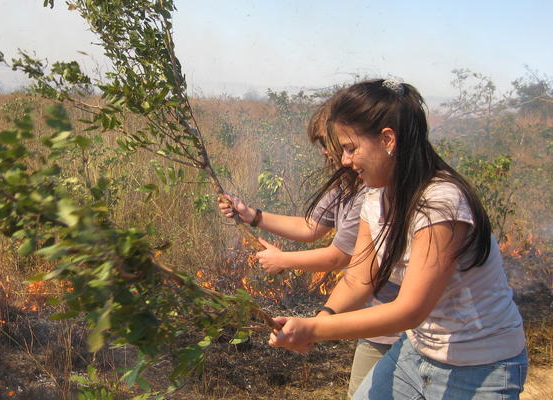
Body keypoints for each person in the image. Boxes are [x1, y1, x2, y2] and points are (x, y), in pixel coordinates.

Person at [268, 79, 527, 399]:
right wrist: (323, 317)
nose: (345, 161)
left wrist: (314, 330)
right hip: (416, 352)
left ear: (388, 139)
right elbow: (359, 279)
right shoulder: (375, 198)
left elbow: (410, 310)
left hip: (481, 366)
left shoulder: (441, 202)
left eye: (351, 148)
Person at [218, 100, 400, 397]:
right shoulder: (346, 182)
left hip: (401, 324)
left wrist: (283, 260)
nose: (329, 154)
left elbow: (342, 256)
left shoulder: (373, 189)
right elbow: (310, 227)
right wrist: (253, 216)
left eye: (336, 145)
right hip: (379, 321)